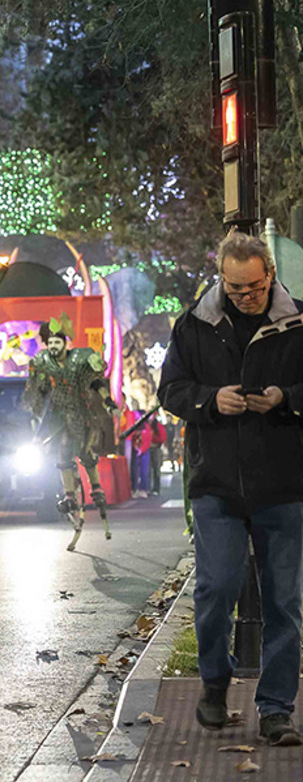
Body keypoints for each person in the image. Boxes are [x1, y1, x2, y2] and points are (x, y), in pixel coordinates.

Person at [158, 230, 303, 747]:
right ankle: (215, 685)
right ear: (222, 277)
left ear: (270, 274)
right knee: (215, 588)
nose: (247, 297)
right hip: (216, 482)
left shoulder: (297, 320)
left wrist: (285, 398)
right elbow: (170, 390)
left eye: (255, 287)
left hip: (284, 483)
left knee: (284, 601)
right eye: (237, 288)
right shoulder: (194, 324)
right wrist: (210, 400)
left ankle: (276, 709)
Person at [23, 316, 119, 550]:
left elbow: (97, 383)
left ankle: (95, 487)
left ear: (66, 343)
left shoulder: (80, 359)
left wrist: (108, 402)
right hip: (57, 414)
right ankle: (69, 495)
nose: (54, 346)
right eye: (50, 343)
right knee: (64, 453)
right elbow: (40, 391)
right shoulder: (44, 362)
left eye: (58, 342)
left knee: (84, 451)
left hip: (81, 412)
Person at [149, 413, 167, 496]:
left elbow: (163, 437)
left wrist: (153, 439)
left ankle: (156, 488)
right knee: (148, 470)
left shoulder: (158, 426)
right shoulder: (146, 425)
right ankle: (149, 488)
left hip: (156, 448)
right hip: (148, 449)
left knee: (156, 469)